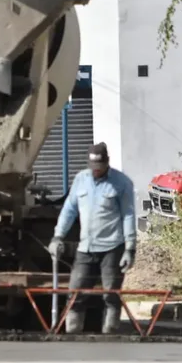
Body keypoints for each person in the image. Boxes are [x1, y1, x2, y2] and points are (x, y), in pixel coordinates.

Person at [49, 143, 136, 335]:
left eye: (100, 166)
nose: (96, 170)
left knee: (110, 294)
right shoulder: (81, 180)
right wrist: (58, 237)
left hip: (112, 247)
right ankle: (72, 332)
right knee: (75, 293)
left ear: (107, 163)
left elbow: (128, 215)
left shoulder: (121, 183)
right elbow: (69, 210)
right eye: (93, 166)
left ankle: (110, 332)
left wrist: (130, 248)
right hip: (86, 248)